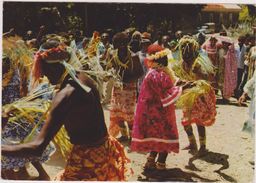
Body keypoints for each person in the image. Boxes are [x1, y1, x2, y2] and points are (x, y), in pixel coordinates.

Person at [2, 40, 132, 181]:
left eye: (43, 71)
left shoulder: (66, 95)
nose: (42, 76)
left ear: (52, 68)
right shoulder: (83, 78)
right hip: (104, 148)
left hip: (87, 157)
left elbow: (37, 147)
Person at [131, 45, 192, 170]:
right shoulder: (156, 75)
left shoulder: (156, 73)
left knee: (156, 138)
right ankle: (161, 165)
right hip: (158, 114)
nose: (166, 60)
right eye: (163, 58)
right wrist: (183, 88)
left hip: (153, 112)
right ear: (157, 60)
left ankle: (150, 161)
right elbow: (165, 93)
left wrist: (181, 84)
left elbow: (169, 84)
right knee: (164, 136)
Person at [172, 36, 217, 155]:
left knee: (199, 121)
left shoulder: (198, 63)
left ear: (192, 51)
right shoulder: (182, 64)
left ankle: (203, 147)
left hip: (199, 97)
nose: (185, 54)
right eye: (183, 51)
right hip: (188, 96)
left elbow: (206, 78)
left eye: (187, 52)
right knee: (186, 122)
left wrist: (196, 79)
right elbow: (179, 77)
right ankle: (192, 143)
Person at [107, 32, 143, 142]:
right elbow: (111, 68)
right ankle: (124, 135)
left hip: (129, 89)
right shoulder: (114, 55)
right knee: (118, 112)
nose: (120, 45)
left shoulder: (133, 57)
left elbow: (140, 73)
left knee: (129, 114)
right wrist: (111, 75)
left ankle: (132, 136)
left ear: (125, 43)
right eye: (117, 43)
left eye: (122, 43)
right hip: (118, 88)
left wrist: (129, 79)